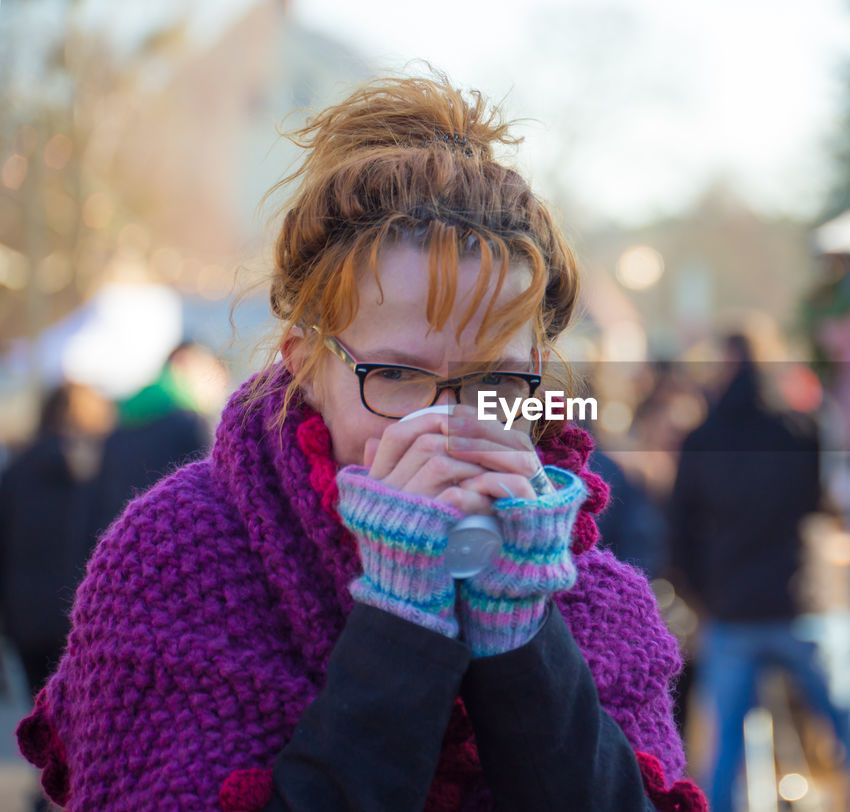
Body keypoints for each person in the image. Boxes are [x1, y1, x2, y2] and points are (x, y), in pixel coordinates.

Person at [18, 74, 704, 811]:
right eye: (400, 376)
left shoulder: (593, 593)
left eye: (495, 382)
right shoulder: (179, 555)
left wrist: (521, 636)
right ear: (306, 365)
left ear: (535, 377)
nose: (450, 424)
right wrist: (402, 623)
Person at [669, 333, 850, 811]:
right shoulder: (798, 431)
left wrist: (706, 594)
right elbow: (826, 502)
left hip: (732, 609)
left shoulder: (702, 440)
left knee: (725, 753)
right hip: (799, 599)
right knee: (849, 728)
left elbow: (678, 533)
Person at [0, 382, 113, 696]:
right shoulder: (96, 470)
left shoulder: (15, 471)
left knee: (39, 715)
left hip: (24, 619)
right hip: (79, 615)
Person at [90, 340, 224, 538]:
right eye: (212, 370)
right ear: (183, 362)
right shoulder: (192, 425)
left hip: (120, 546)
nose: (220, 382)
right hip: (175, 546)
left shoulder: (120, 420)